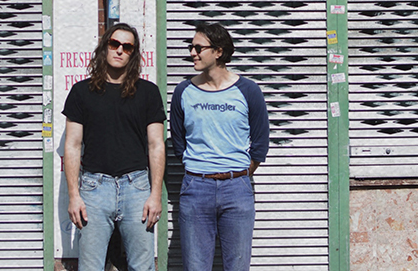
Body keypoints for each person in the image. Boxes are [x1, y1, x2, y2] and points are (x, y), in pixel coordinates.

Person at [63, 23, 166, 271]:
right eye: (114, 44)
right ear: (105, 47)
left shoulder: (148, 92)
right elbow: (73, 145)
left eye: (127, 47)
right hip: (94, 188)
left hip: (137, 187)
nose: (119, 50)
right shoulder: (81, 92)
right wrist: (74, 196)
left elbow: (156, 145)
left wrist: (155, 195)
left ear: (133, 54)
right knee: (90, 266)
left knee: (142, 266)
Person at [170, 23, 270, 271]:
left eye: (198, 48)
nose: (192, 53)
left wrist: (238, 173)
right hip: (196, 187)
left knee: (237, 266)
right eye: (191, 47)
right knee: (195, 267)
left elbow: (260, 141)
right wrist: (198, 169)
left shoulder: (248, 90)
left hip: (237, 188)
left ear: (218, 51)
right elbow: (178, 142)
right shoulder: (184, 91)